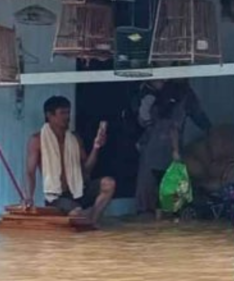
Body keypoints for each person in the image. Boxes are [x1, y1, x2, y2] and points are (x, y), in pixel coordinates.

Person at [25, 96, 116, 227]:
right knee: (77, 214)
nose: (67, 117)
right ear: (49, 115)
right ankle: (87, 218)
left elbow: (86, 169)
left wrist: (96, 147)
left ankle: (92, 221)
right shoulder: (36, 140)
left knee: (109, 183)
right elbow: (30, 172)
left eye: (68, 112)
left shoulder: (74, 139)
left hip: (78, 191)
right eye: (62, 113)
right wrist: (29, 197)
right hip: (57, 197)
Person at [135, 79, 212, 215]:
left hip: (164, 146)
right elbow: (145, 121)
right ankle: (157, 212)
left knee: (166, 182)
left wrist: (210, 131)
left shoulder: (180, 95)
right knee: (154, 183)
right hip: (157, 146)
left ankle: (160, 212)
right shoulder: (148, 93)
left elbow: (191, 119)